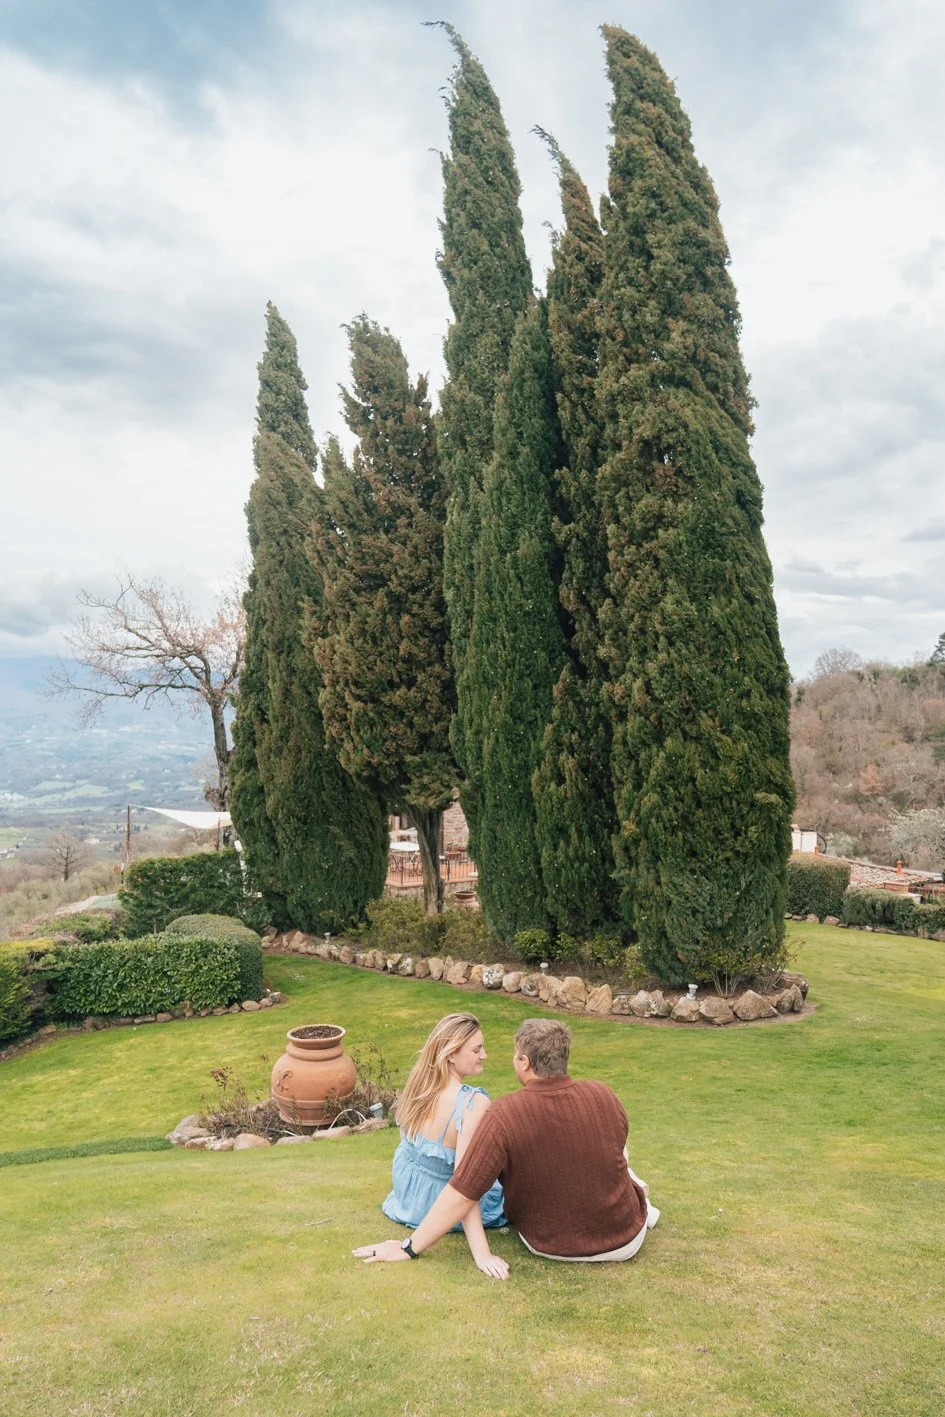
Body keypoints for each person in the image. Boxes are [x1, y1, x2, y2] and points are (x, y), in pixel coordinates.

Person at [354, 1018, 658, 1277]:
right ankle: (639, 1197)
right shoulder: (603, 1094)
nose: (487, 1055)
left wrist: (408, 1248)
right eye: (478, 1049)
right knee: (615, 1154)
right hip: (626, 1240)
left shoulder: (503, 1113)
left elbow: (464, 1188)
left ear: (525, 1062)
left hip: (549, 1244)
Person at [380, 1012, 507, 1279]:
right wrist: (482, 1254)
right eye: (476, 1050)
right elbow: (465, 1184)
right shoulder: (472, 1103)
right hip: (443, 1205)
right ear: (451, 1054)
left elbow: (406, 1146)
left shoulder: (420, 1084)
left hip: (408, 1198)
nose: (484, 1055)